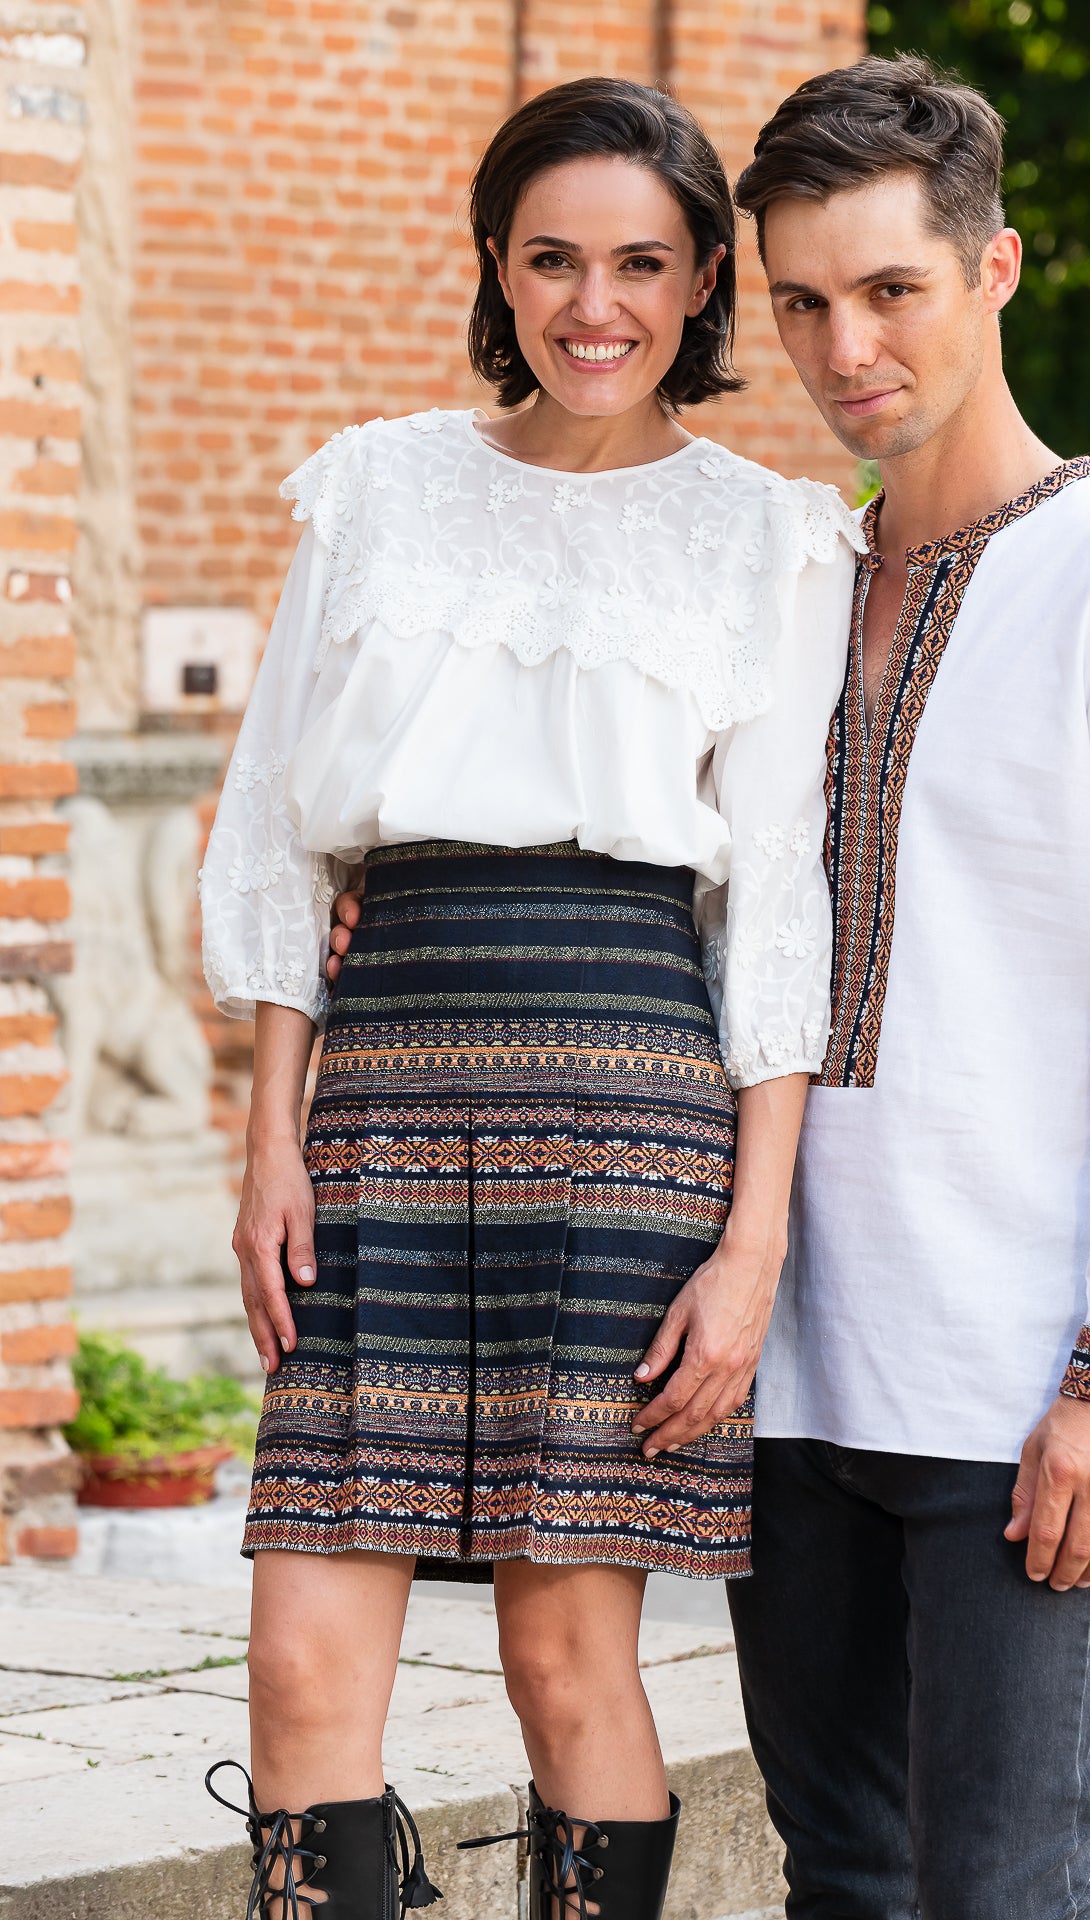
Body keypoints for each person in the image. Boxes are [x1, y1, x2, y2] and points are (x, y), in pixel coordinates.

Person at [199, 74, 859, 1920]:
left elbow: (778, 912)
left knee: (567, 1661)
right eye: (555, 258)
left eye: (642, 264)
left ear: (704, 280)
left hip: (631, 1117)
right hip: (382, 1092)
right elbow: (274, 836)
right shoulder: (372, 488)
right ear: (497, 263)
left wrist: (754, 1246)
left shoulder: (773, 536)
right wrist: (268, 1142)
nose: (596, 304)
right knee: (301, 1659)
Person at [721, 54, 1090, 1920]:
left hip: (1023, 1383)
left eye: (893, 288)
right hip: (795, 1365)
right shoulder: (792, 587)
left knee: (1003, 1887)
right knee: (841, 1878)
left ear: (996, 269)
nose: (846, 346)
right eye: (804, 300)